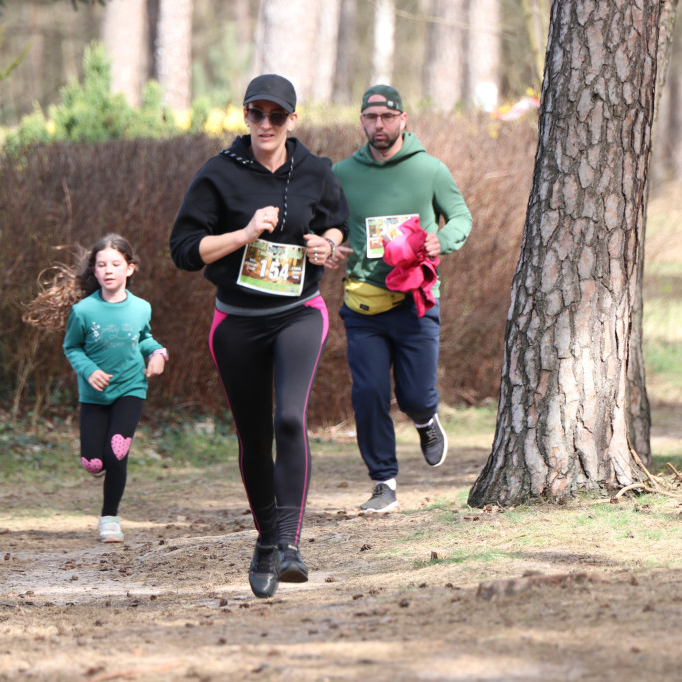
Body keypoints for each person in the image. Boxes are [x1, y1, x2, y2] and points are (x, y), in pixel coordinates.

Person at [170, 74, 349, 598]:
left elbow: (339, 223)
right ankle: (266, 540)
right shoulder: (218, 174)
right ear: (244, 115)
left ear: (293, 119)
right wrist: (243, 234)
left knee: (289, 418)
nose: (265, 124)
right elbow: (183, 249)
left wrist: (326, 244)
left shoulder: (316, 170)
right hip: (237, 321)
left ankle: (290, 545)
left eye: (277, 115)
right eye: (256, 113)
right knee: (253, 434)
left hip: (298, 312)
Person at [331, 84, 472, 514]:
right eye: (371, 118)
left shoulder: (429, 169)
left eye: (387, 118)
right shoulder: (341, 175)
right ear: (362, 122)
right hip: (363, 307)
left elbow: (461, 217)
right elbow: (328, 224)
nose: (379, 125)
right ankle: (383, 483)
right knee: (369, 393)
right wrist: (330, 245)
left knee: (414, 396)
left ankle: (426, 420)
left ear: (402, 120)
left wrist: (439, 241)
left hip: (416, 302)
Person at [23, 233, 167, 543]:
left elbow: (144, 338)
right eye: (102, 264)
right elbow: (72, 347)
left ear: (130, 269)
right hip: (94, 396)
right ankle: (97, 466)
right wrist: (89, 371)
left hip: (131, 388)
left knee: (117, 452)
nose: (109, 270)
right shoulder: (84, 311)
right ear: (94, 271)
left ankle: (110, 518)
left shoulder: (141, 307)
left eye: (116, 263)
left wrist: (157, 353)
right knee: (93, 462)